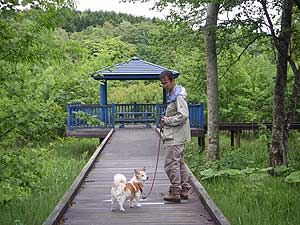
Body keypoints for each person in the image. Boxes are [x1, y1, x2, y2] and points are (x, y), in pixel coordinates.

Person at [159, 70, 191, 203]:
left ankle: (175, 191)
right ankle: (184, 189)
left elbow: (183, 115)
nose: (164, 85)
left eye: (166, 82)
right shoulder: (172, 95)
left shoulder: (178, 96)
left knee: (171, 164)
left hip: (175, 137)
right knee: (180, 163)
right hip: (177, 136)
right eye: (162, 84)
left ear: (172, 81)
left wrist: (167, 120)